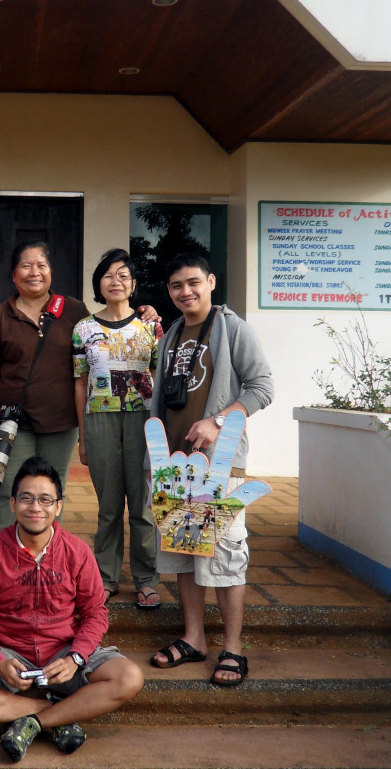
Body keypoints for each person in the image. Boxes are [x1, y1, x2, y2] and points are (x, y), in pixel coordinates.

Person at [0, 457, 144, 762]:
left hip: (63, 651)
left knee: (130, 677)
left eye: (45, 499)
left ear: (58, 506)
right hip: (8, 650)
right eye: (26, 498)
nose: (35, 507)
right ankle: (57, 716)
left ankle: (34, 723)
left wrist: (76, 657)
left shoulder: (77, 551)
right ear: (12, 504)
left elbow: (95, 614)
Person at [147, 253, 273, 687]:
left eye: (194, 282)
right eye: (178, 285)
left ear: (211, 282)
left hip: (220, 468)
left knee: (224, 556)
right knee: (183, 555)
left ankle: (233, 648)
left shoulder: (233, 329)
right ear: (169, 291)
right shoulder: (171, 336)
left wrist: (218, 421)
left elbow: (262, 388)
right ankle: (194, 638)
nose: (187, 291)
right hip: (175, 467)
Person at [0, 241, 90, 531]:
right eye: (26, 265)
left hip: (62, 423)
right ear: (14, 275)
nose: (34, 272)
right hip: (15, 424)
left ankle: (47, 555)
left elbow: (104, 340)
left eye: (41, 265)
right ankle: (6, 559)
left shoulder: (74, 310)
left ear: (50, 271)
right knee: (10, 490)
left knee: (52, 491)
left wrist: (145, 313)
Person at [72, 248, 163, 607]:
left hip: (143, 420)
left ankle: (146, 578)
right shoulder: (84, 329)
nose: (116, 281)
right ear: (99, 284)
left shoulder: (151, 327)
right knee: (109, 505)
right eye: (108, 275)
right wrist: (82, 433)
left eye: (124, 276)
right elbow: (79, 383)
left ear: (134, 284)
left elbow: (159, 377)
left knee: (141, 504)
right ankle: (106, 578)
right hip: (100, 419)